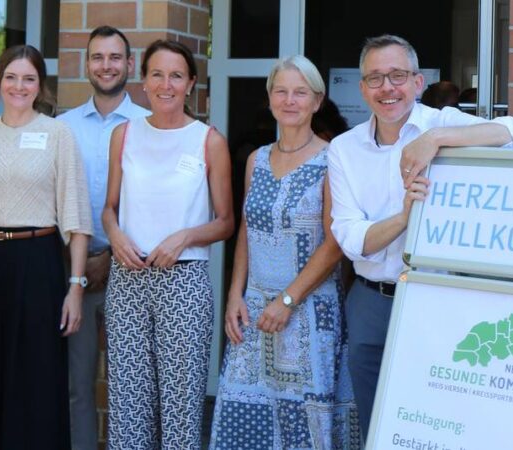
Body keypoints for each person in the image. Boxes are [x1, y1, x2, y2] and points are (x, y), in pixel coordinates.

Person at [327, 34, 513, 441]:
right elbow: (351, 238)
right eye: (375, 78)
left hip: (436, 297)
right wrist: (406, 216)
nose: (388, 88)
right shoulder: (343, 149)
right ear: (362, 88)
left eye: (398, 76)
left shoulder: (440, 123)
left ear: (418, 82)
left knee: (436, 418)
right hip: (371, 301)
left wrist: (435, 139)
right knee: (376, 423)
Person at [209, 55, 359, 450]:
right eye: (281, 91)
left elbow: (335, 242)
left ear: (317, 101)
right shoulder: (257, 159)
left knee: (302, 424)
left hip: (309, 311)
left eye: (300, 92)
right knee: (246, 416)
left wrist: (289, 299)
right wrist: (234, 295)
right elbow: (246, 228)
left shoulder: (334, 158)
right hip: (255, 308)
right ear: (270, 98)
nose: (289, 100)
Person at [0, 45, 92, 450]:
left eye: (28, 78)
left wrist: (76, 287)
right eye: (11, 77)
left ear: (40, 86)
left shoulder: (57, 134)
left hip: (38, 263)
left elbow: (76, 217)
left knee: (36, 375)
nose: (19, 86)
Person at [102, 39, 234, 449]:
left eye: (176, 76)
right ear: (143, 80)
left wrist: (185, 236)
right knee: (127, 407)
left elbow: (227, 221)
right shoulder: (123, 135)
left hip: (184, 285)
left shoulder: (208, 140)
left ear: (191, 84)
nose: (166, 84)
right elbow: (109, 208)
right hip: (127, 281)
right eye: (157, 74)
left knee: (180, 409)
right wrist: (116, 235)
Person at [57, 25, 149, 450]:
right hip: (72, 272)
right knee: (76, 383)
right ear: (86, 64)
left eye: (115, 57)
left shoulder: (149, 126)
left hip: (135, 269)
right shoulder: (63, 127)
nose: (106, 65)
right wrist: (77, 264)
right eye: (98, 57)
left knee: (132, 386)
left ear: (129, 65)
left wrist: (110, 257)